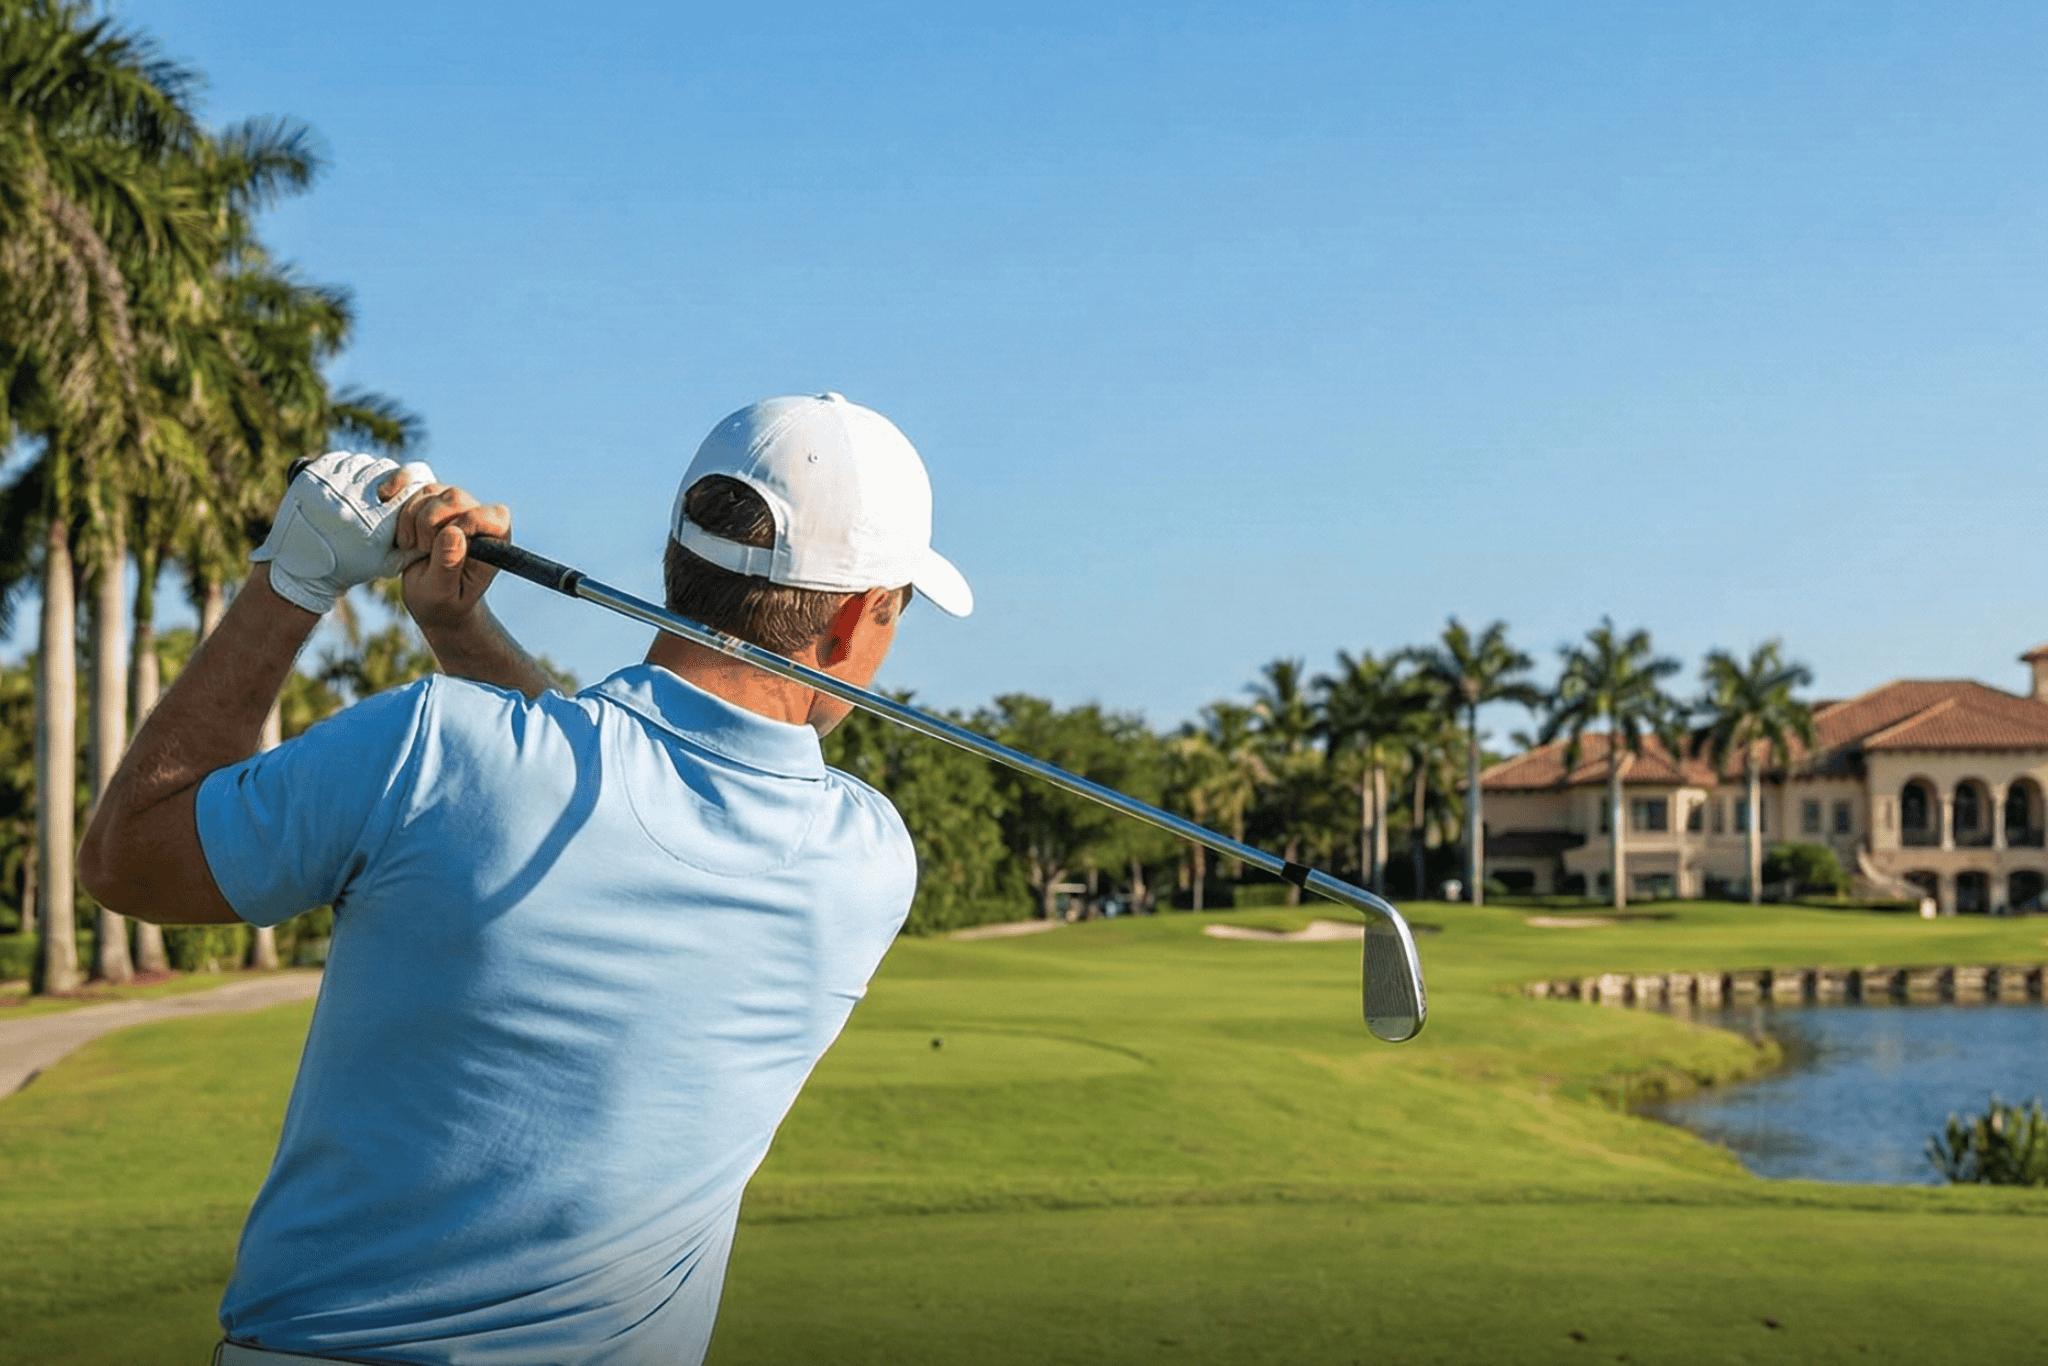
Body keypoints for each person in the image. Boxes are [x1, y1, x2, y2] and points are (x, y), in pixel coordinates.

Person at [79, 392, 972, 1366]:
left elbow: (132, 855)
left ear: (679, 566)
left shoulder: (423, 750)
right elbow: (603, 790)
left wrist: (294, 575)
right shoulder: (864, 863)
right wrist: (466, 640)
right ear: (850, 624)